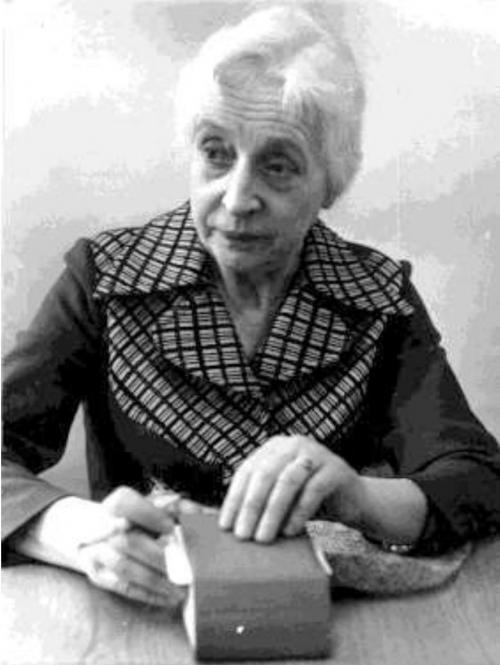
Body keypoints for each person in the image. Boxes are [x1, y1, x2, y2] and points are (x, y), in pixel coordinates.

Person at [2, 6, 500, 608]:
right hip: (148, 613)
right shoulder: (105, 279)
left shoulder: (378, 297)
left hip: (328, 618)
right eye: (216, 153)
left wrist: (356, 496)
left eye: (278, 166)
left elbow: (476, 478)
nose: (237, 199)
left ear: (330, 183)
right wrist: (79, 534)